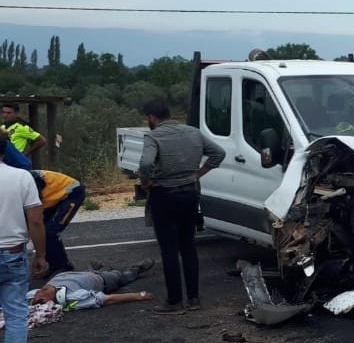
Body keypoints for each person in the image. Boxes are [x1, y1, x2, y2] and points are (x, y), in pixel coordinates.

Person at [138, 99, 225, 315]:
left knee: (169, 250)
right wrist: (199, 173)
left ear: (151, 118)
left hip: (164, 195)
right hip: (190, 193)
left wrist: (145, 182)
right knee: (188, 247)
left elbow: (146, 163)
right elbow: (218, 152)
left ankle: (174, 301)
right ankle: (194, 298)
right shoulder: (193, 132)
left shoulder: (153, 136)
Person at [0, 131, 47, 343]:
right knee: (16, 313)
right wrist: (40, 254)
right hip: (12, 252)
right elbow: (36, 220)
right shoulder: (21, 177)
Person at [28, 260, 155, 310]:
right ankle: (137, 269)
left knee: (87, 272)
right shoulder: (72, 298)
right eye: (41, 301)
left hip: (82, 274)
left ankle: (94, 268)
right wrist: (139, 295)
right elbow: (106, 300)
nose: (37, 296)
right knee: (120, 275)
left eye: (36, 301)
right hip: (103, 280)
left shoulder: (32, 295)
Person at [32, 170, 85, 276]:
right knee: (44, 231)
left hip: (72, 193)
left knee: (50, 231)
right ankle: (54, 265)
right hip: (52, 197)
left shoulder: (29, 180)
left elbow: (34, 208)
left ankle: (63, 267)